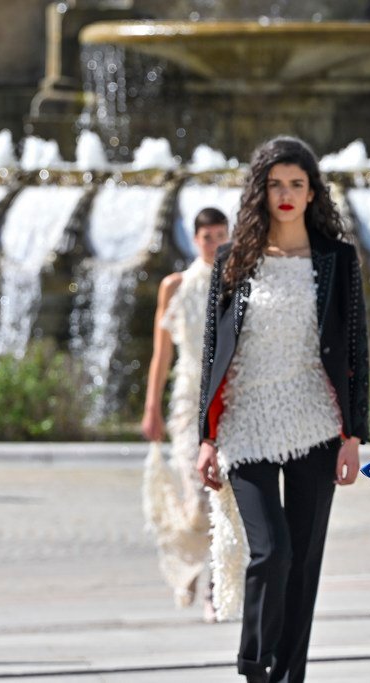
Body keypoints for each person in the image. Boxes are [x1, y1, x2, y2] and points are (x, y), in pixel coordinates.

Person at [195, 136, 370, 683]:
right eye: (276, 184)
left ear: (312, 191)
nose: (286, 194)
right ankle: (254, 665)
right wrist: (206, 437)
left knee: (305, 560)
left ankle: (289, 674)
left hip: (316, 424)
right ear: (261, 191)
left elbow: (356, 350)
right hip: (245, 425)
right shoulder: (234, 259)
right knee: (271, 552)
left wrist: (353, 435)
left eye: (297, 183)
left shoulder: (337, 260)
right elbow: (212, 352)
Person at [141, 207, 230, 622]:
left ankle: (215, 584)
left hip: (228, 399)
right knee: (196, 496)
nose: (214, 244)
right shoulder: (175, 285)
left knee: (222, 494)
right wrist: (151, 407)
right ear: (195, 240)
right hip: (187, 400)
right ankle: (189, 560)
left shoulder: (237, 279)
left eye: (220, 235)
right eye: (207, 237)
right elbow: (161, 354)